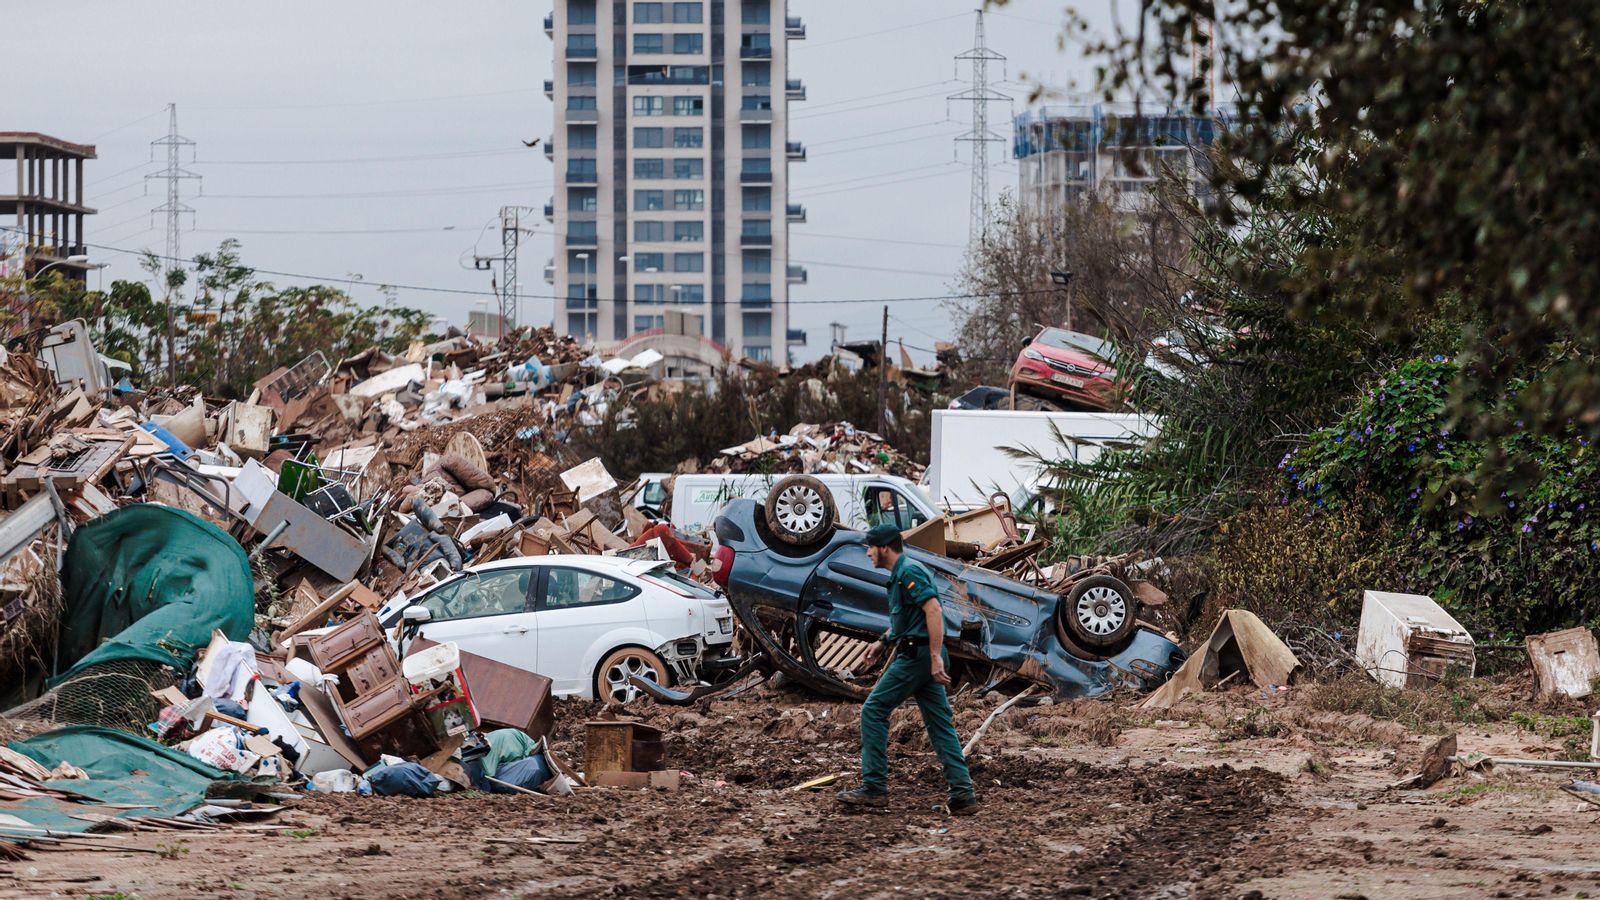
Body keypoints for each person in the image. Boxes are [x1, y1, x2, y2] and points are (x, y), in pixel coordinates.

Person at [837, 524, 978, 815]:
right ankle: (963, 794)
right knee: (940, 726)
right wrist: (882, 642)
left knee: (873, 711)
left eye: (870, 547)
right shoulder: (900, 573)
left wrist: (936, 657)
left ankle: (874, 787)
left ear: (885, 548)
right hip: (920, 654)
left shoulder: (909, 572)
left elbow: (934, 610)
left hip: (917, 657)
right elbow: (908, 619)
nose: (867, 552)